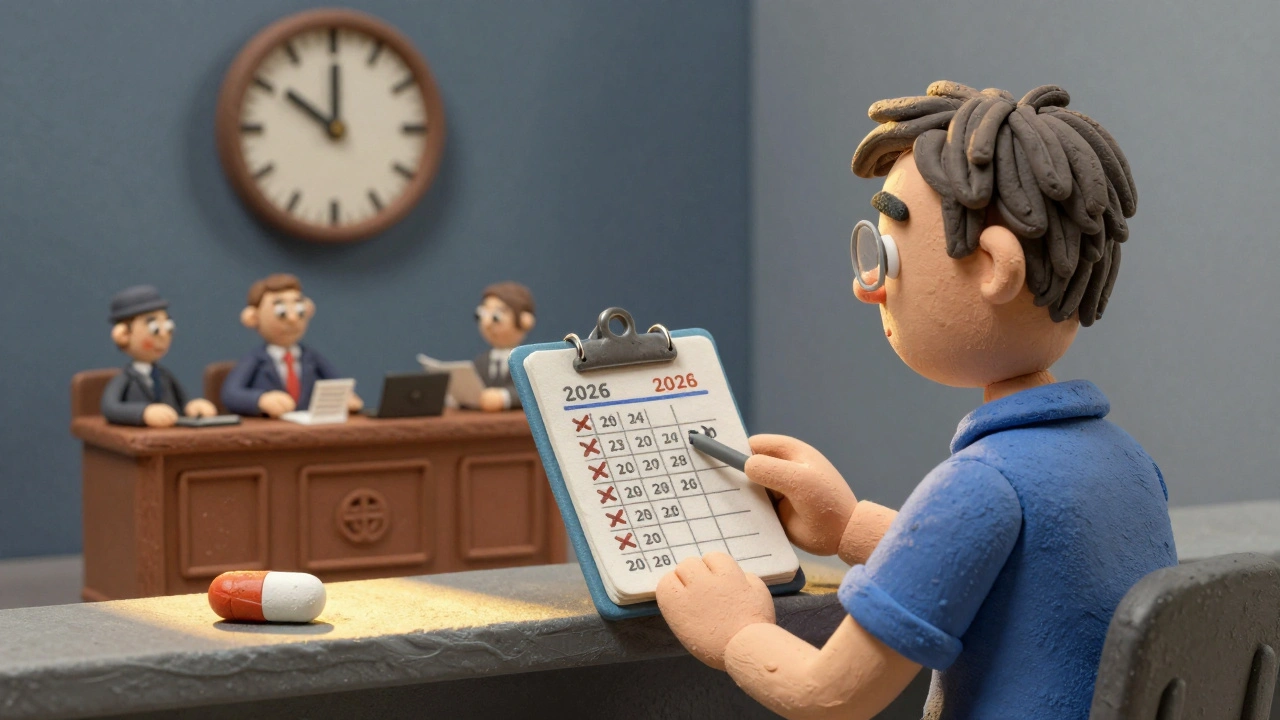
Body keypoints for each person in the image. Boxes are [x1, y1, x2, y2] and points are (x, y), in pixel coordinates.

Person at [654, 82, 1176, 720]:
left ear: (993, 266)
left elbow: (829, 694)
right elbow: (1008, 568)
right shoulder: (1127, 463)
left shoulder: (981, 483)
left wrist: (735, 631)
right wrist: (849, 527)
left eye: (884, 256)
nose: (867, 289)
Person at [221, 273, 362, 418]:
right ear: (253, 317)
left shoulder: (310, 357)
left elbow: (336, 381)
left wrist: (345, 397)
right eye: (281, 312)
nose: (292, 319)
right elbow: (231, 394)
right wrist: (260, 399)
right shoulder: (255, 359)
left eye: (299, 311)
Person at [101, 285, 217, 427]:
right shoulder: (125, 379)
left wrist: (193, 407)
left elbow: (182, 399)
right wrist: (143, 413)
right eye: (155, 329)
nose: (164, 336)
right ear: (124, 334)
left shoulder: (164, 376)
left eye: (168, 327)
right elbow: (110, 408)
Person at [473, 282, 536, 412]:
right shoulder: (480, 362)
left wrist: (505, 397)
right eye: (482, 315)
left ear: (525, 320)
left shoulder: (530, 361)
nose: (487, 323)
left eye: (496, 317)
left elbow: (535, 389)